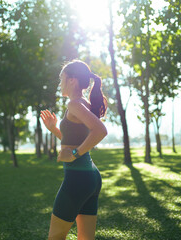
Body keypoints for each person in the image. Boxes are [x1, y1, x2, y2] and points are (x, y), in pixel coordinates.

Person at [40, 59, 108, 240]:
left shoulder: (75, 104)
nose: (60, 83)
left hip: (77, 178)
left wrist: (75, 154)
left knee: (55, 237)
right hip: (90, 177)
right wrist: (54, 129)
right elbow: (76, 141)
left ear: (73, 80)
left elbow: (100, 131)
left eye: (62, 78)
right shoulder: (84, 104)